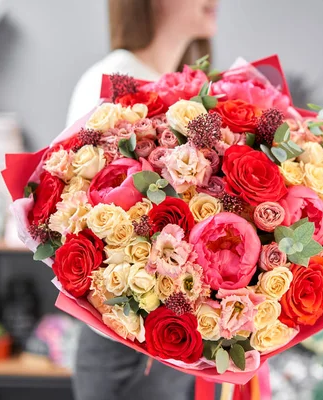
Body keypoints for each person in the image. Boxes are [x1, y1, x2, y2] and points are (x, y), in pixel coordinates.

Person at [66, 1, 218, 399]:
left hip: (177, 334)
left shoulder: (186, 87)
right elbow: (74, 204)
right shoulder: (114, 77)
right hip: (123, 339)